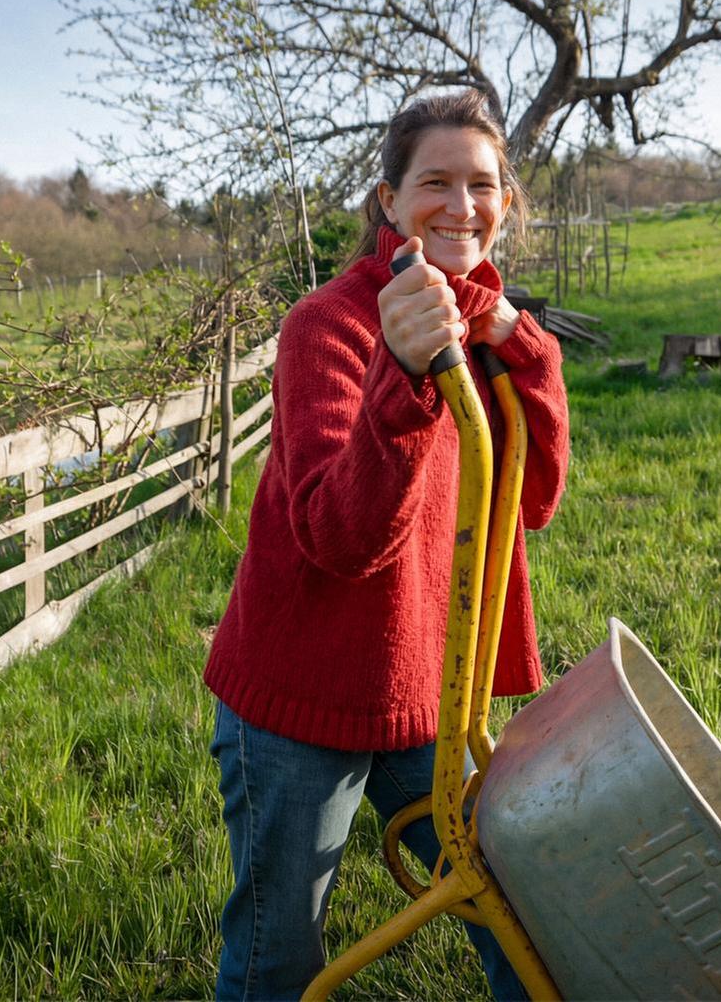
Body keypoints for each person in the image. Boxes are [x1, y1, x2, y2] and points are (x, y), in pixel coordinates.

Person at [200, 88, 570, 1001]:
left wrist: (529, 352)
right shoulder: (330, 325)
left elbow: (537, 501)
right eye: (433, 182)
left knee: (520, 912)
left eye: (481, 184)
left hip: (432, 689)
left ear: (506, 204)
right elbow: (339, 537)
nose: (460, 205)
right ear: (389, 202)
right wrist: (400, 379)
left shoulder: (486, 327)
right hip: (301, 698)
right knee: (278, 955)